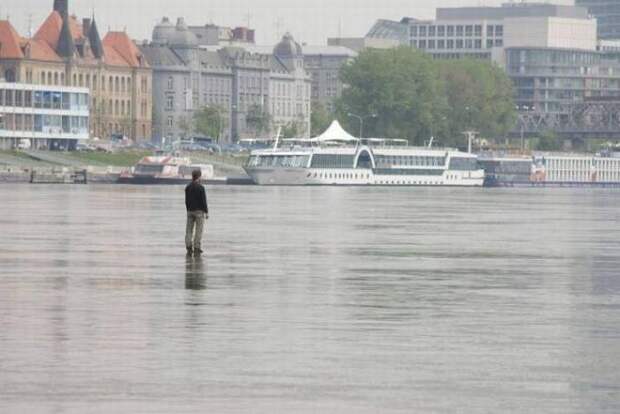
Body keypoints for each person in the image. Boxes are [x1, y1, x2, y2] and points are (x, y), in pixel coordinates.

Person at [185, 169, 209, 255]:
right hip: (199, 212)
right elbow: (203, 201)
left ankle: (188, 246)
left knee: (188, 230)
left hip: (190, 211)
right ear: (199, 176)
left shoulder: (187, 187)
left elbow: (186, 201)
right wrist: (206, 212)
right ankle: (197, 247)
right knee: (199, 230)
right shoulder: (201, 187)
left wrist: (188, 210)